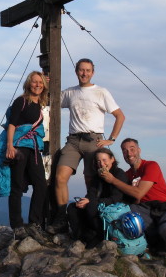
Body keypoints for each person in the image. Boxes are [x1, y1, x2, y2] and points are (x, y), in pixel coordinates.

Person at [48, 58, 125, 234]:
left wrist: (111, 139)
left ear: (93, 72)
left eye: (88, 70)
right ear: (76, 72)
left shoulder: (101, 92)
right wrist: (47, 83)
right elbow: (50, 101)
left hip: (93, 140)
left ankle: (90, 218)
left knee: (91, 181)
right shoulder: (70, 93)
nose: (84, 73)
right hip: (73, 141)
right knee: (60, 177)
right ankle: (61, 218)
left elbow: (120, 116)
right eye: (81, 70)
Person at [98, 138, 166, 255]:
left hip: (164, 206)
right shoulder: (127, 174)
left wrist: (113, 180)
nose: (129, 153)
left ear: (139, 150)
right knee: (122, 215)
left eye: (132, 149)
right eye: (124, 151)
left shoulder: (151, 166)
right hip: (144, 208)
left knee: (165, 228)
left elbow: (138, 193)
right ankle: (132, 247)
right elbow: (135, 199)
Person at [0, 71, 50, 242]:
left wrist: (47, 80)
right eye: (34, 82)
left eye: (40, 82)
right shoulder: (21, 101)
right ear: (28, 84)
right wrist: (10, 146)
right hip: (19, 148)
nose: (37, 85)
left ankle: (34, 223)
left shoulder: (40, 104)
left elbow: (47, 90)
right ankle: (17, 226)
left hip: (33, 148)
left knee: (41, 185)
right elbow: (12, 124)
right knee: (16, 186)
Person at [67, 147, 132, 248]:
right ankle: (80, 236)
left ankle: (98, 236)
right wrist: (84, 201)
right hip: (98, 206)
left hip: (113, 209)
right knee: (72, 207)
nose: (102, 164)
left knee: (91, 205)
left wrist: (92, 201)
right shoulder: (97, 176)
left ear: (112, 159)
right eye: (98, 161)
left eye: (104, 160)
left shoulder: (119, 174)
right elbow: (91, 194)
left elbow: (116, 198)